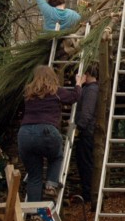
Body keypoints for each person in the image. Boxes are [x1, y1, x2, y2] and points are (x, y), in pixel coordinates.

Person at [18, 65, 84, 201]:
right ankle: (51, 185)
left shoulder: (28, 92)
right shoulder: (56, 91)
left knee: (34, 177)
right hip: (46, 131)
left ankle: (34, 214)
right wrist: (78, 83)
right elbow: (74, 97)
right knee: (56, 157)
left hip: (25, 134)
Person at [74, 63, 99, 203]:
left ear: (87, 74)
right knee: (84, 162)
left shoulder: (91, 90)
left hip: (87, 132)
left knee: (85, 163)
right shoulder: (90, 89)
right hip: (87, 131)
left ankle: (88, 194)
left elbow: (87, 112)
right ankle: (87, 192)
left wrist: (79, 128)